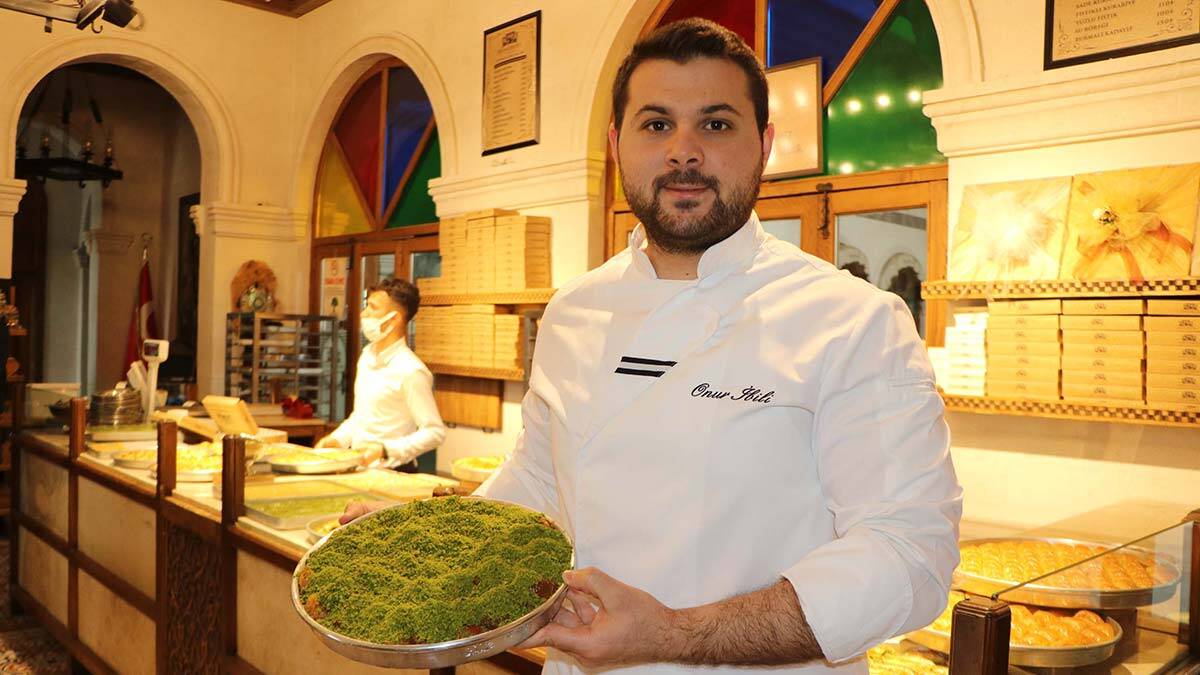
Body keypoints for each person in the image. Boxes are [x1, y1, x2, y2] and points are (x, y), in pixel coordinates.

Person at [343, 18, 960, 673]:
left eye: (717, 124)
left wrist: (672, 634)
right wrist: (424, 544)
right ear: (617, 145)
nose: (684, 152)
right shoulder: (574, 311)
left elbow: (910, 552)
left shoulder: (852, 320)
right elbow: (538, 485)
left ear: (765, 145)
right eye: (657, 124)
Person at [317, 278, 445, 471]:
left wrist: (385, 450)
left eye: (373, 308)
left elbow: (435, 432)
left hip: (396, 472)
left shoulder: (411, 370)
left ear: (393, 319)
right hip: (360, 470)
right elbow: (362, 417)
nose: (364, 314)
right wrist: (337, 439)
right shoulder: (367, 356)